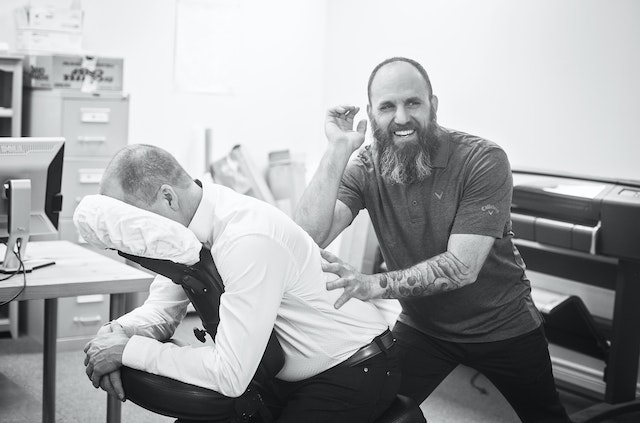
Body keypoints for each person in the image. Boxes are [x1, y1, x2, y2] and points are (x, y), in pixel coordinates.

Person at [294, 57, 571, 423]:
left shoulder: (482, 159)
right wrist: (337, 149)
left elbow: (461, 267)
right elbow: (308, 236)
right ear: (371, 114)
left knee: (546, 417)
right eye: (388, 106)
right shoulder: (365, 165)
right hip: (424, 328)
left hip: (502, 325)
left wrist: (372, 284)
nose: (402, 117)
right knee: (380, 410)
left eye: (413, 103)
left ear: (433, 105)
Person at [82, 144, 401, 422]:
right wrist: (116, 335)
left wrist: (128, 350)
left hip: (353, 368)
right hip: (273, 370)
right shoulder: (180, 235)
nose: (134, 234)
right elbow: (161, 313)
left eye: (132, 220)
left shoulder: (247, 238)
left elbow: (230, 373)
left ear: (168, 197)